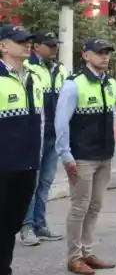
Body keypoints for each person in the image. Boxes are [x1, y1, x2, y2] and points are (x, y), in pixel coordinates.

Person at [55, 38, 116, 275]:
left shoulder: (109, 82)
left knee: (95, 205)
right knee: (79, 207)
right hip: (82, 156)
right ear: (86, 55)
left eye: (107, 52)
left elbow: (111, 115)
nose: (105, 56)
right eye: (99, 52)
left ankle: (87, 251)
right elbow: (61, 122)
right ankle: (74, 257)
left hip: (104, 155)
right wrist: (65, 154)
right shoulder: (74, 84)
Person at [0, 24, 43, 275]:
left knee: (11, 224)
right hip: (2, 164)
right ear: (3, 46)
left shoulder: (33, 77)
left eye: (29, 40)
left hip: (26, 163)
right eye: (20, 40)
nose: (27, 44)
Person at [19, 30, 67, 246]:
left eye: (56, 44)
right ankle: (26, 226)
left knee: (45, 182)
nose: (54, 48)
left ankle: (40, 224)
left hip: (54, 135)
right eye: (50, 45)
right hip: (34, 134)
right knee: (31, 182)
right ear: (36, 47)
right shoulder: (27, 68)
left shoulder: (59, 69)